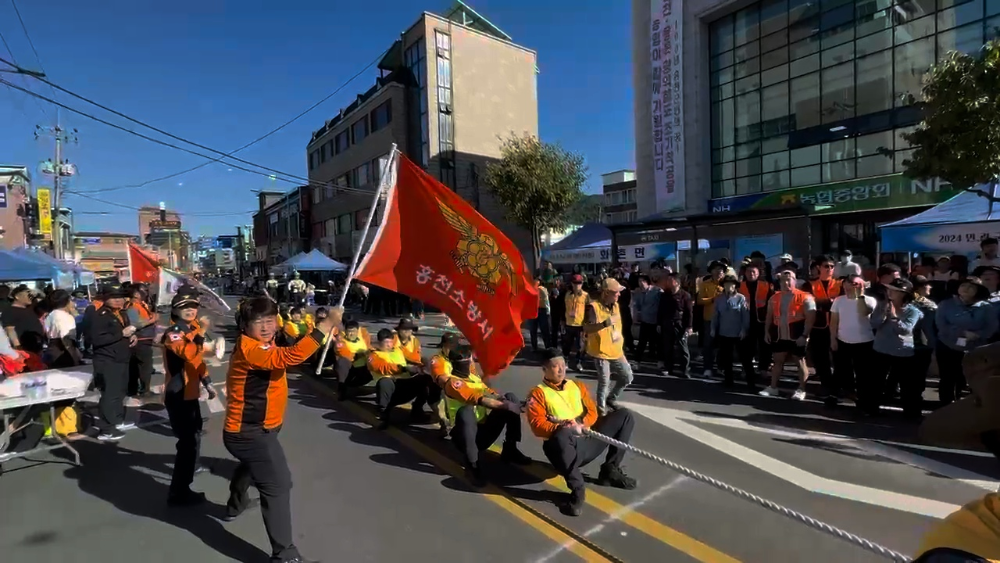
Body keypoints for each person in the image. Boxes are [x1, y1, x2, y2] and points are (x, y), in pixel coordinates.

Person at [223, 296, 339, 563]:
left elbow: (292, 348)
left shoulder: (265, 342)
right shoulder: (251, 349)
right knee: (278, 484)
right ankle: (284, 554)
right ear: (244, 325)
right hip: (249, 432)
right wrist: (325, 325)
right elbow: (292, 356)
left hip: (261, 428)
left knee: (252, 466)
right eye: (258, 322)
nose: (265, 327)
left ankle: (235, 505)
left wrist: (330, 327)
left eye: (270, 320)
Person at [526, 348, 637, 517]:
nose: (561, 369)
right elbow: (537, 425)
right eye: (556, 366)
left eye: (563, 365)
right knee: (562, 435)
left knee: (624, 416)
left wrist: (581, 424)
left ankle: (610, 470)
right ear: (545, 369)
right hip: (562, 449)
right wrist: (565, 426)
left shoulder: (577, 386)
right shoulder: (537, 393)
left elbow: (592, 411)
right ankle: (577, 491)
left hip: (587, 438)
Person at [433, 345, 529, 486]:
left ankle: (510, 449)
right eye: (470, 359)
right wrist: (506, 406)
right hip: (463, 436)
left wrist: (511, 402)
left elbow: (489, 393)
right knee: (466, 411)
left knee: (510, 397)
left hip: (483, 432)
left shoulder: (473, 377)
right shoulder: (453, 383)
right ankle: (472, 465)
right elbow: (477, 398)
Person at [161, 289, 219, 506]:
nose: (190, 310)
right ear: (175, 310)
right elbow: (188, 353)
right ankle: (178, 493)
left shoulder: (191, 330)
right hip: (178, 393)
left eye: (193, 306)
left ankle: (186, 480)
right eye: (185, 307)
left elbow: (197, 361)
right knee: (186, 444)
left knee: (193, 438)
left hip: (191, 392)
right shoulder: (173, 332)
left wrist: (208, 382)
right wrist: (202, 331)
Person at [935, 277, 999, 405]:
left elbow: (992, 326)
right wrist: (962, 332)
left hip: (975, 347)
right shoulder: (946, 304)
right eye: (963, 285)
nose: (966, 289)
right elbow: (941, 325)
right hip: (948, 346)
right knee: (948, 377)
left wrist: (978, 335)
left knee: (972, 377)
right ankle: (946, 404)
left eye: (971, 287)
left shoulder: (986, 307)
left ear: (977, 291)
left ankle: (970, 404)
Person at [867, 278, 924, 417]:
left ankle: (911, 412)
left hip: (902, 351)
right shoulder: (881, 305)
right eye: (889, 289)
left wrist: (893, 318)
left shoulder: (912, 311)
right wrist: (884, 314)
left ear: (904, 294)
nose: (890, 292)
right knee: (876, 381)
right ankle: (870, 408)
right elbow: (874, 324)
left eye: (895, 290)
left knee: (907, 384)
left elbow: (905, 330)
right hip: (881, 348)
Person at [90, 284, 138, 441]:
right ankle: (106, 429)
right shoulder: (100, 316)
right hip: (107, 360)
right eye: (114, 297)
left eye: (120, 297)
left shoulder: (121, 313)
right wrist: (121, 334)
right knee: (109, 394)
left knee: (120, 392)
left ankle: (117, 420)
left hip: (121, 358)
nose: (118, 300)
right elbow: (96, 340)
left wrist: (132, 336)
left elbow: (125, 332)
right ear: (105, 298)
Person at [760, 270, 816, 400]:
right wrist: (767, 332)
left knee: (800, 361)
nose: (786, 282)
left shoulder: (805, 297)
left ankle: (801, 389)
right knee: (778, 360)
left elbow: (810, 318)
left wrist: (804, 335)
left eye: (789, 279)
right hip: (780, 335)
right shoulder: (774, 298)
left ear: (795, 281)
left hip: (797, 334)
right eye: (783, 280)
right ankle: (773, 387)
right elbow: (769, 316)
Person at [366, 328, 437, 428]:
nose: (389, 345)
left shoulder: (398, 350)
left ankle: (417, 410)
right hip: (389, 391)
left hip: (404, 384)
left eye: (390, 342)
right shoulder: (373, 356)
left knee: (426, 378)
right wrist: (404, 368)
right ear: (379, 342)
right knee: (385, 381)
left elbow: (413, 358)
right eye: (386, 342)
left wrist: (424, 364)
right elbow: (384, 367)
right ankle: (383, 414)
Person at [583, 278, 634, 414]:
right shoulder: (594, 307)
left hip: (616, 349)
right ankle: (601, 410)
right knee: (605, 380)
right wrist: (604, 324)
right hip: (600, 351)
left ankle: (611, 398)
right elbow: (587, 328)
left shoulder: (616, 305)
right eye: (616, 292)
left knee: (627, 377)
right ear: (606, 293)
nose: (619, 294)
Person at [827, 274, 876, 407]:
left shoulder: (869, 300)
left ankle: (863, 398)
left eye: (855, 283)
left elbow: (863, 312)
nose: (851, 286)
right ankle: (836, 395)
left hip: (864, 341)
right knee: (840, 370)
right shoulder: (839, 300)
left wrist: (860, 295)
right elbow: (834, 321)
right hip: (843, 340)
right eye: (848, 283)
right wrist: (833, 339)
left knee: (862, 372)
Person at [804, 255, 842, 399]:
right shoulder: (810, 284)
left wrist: (823, 303)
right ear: (819, 267)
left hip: (838, 326)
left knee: (839, 358)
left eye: (832, 266)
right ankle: (826, 384)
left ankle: (837, 386)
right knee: (820, 358)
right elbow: (809, 303)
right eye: (826, 266)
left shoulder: (840, 283)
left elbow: (842, 302)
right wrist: (830, 302)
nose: (830, 269)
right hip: (818, 326)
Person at [711, 274, 751, 389]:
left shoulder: (741, 298)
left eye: (731, 284)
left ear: (735, 286)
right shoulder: (719, 299)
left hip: (738, 333)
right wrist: (713, 329)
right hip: (724, 333)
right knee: (726, 358)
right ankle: (728, 381)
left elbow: (745, 316)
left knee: (744, 358)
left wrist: (744, 329)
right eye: (726, 284)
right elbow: (715, 315)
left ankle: (750, 381)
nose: (729, 286)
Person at [738, 263, 772, 382]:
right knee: (747, 347)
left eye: (754, 272)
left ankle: (763, 368)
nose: (751, 274)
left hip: (762, 321)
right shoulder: (740, 286)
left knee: (764, 346)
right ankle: (746, 368)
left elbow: (771, 303)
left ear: (758, 273)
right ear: (745, 273)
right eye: (749, 272)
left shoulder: (767, 285)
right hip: (746, 321)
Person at [126, 285, 157, 397]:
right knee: (144, 367)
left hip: (144, 339)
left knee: (137, 366)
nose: (146, 293)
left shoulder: (141, 305)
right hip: (140, 340)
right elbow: (134, 324)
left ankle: (134, 389)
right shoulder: (133, 306)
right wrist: (152, 320)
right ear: (136, 294)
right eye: (143, 291)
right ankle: (144, 391)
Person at [697, 262, 725, 376]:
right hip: (709, 318)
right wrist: (713, 299)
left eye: (721, 269)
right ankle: (708, 368)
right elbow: (700, 300)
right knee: (708, 344)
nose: (719, 271)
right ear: (711, 271)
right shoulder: (705, 284)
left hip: (725, 320)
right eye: (716, 269)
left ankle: (721, 367)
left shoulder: (728, 283)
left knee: (723, 345)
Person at [42, 290, 82, 369]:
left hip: (52, 349)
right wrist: (74, 357)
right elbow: (66, 339)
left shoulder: (51, 314)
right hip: (63, 352)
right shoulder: (64, 317)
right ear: (67, 302)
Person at [334, 319, 371, 397]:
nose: (351, 334)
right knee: (342, 361)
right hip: (350, 367)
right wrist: (358, 355)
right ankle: (342, 387)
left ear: (357, 331)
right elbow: (343, 353)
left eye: (353, 331)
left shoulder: (363, 339)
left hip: (363, 367)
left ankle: (350, 386)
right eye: (349, 331)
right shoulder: (341, 342)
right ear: (346, 332)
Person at [562, 274, 589, 372]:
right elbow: (563, 308)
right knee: (567, 345)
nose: (577, 285)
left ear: (582, 284)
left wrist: (587, 323)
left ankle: (579, 362)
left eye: (579, 283)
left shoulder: (586, 295)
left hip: (580, 325)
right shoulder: (567, 294)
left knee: (580, 346)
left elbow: (588, 310)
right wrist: (562, 321)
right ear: (572, 284)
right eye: (575, 283)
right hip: (569, 324)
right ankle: (566, 361)